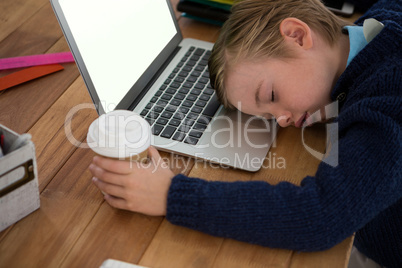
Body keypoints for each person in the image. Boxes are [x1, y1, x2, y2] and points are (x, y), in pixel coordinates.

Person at [89, 0, 401, 267]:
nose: (280, 121)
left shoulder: (388, 95)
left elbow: (321, 215)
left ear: (297, 35)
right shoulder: (382, 23)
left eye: (272, 95)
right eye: (266, 115)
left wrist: (170, 195)